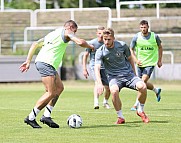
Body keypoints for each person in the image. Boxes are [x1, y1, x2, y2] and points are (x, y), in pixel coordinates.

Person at [19, 20, 94, 128]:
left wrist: (28, 60)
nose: (74, 33)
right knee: (50, 93)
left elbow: (35, 44)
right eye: (75, 31)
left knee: (59, 88)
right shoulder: (67, 32)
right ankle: (31, 118)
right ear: (70, 27)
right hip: (46, 63)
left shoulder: (52, 33)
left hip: (46, 63)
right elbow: (80, 42)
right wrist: (90, 46)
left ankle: (46, 115)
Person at [95, 28, 149, 124]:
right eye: (104, 39)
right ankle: (120, 117)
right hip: (114, 78)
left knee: (143, 86)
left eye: (109, 39)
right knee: (114, 91)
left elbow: (130, 59)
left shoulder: (122, 45)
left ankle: (140, 110)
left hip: (128, 75)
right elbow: (97, 68)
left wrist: (134, 74)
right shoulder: (100, 51)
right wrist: (99, 83)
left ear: (113, 38)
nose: (106, 42)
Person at [130, 20, 163, 111]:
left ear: (148, 27)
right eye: (141, 27)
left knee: (143, 81)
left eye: (144, 27)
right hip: (140, 63)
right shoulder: (136, 37)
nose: (143, 29)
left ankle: (136, 104)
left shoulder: (154, 36)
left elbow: (160, 47)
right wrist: (136, 60)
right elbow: (131, 49)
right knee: (141, 83)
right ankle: (156, 90)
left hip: (150, 63)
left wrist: (159, 60)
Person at [82, 26, 111, 109]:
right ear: (96, 33)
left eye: (102, 33)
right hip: (94, 66)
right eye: (99, 33)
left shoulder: (107, 43)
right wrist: (84, 68)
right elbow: (85, 56)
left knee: (108, 87)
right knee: (97, 83)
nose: (101, 35)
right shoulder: (92, 43)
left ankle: (105, 102)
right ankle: (96, 102)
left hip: (105, 67)